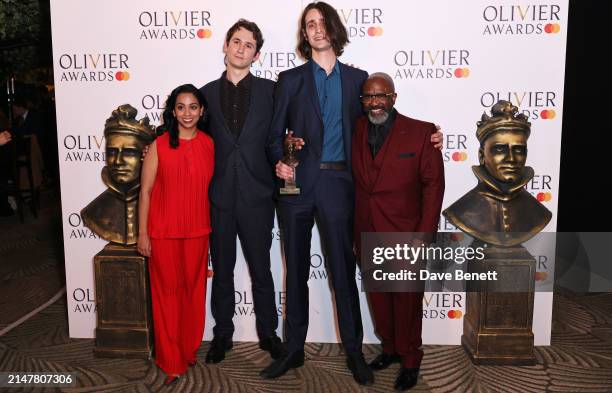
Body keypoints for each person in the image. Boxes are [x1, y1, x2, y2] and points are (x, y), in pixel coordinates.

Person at [263, 1, 443, 385]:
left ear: (334, 29)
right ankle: (293, 349)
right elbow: (274, 136)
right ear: (304, 33)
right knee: (294, 270)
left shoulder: (358, 80)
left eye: (322, 22)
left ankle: (353, 352)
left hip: (340, 186)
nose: (316, 29)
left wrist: (430, 135)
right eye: (309, 24)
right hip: (295, 187)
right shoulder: (290, 80)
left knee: (343, 272)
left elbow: (385, 123)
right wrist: (280, 160)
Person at [352, 73, 445, 391]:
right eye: (368, 97)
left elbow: (433, 186)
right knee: (379, 299)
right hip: (367, 228)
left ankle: (410, 359)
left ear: (393, 97)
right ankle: (390, 349)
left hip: (406, 233)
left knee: (406, 301)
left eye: (380, 96)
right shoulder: (356, 128)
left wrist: (424, 235)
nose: (374, 102)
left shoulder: (422, 132)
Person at [198, 19, 283, 364]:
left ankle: (269, 333)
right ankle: (222, 335)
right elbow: (185, 138)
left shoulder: (271, 91)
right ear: (225, 45)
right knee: (223, 270)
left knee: (262, 269)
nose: (240, 48)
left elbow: (287, 133)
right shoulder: (203, 94)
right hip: (218, 197)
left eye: (248, 45)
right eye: (236, 41)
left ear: (256, 54)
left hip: (258, 196)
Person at [137, 84, 214, 385]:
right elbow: (145, 192)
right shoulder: (157, 146)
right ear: (172, 111)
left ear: (202, 111)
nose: (187, 113)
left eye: (193, 107)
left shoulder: (210, 144)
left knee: (193, 294)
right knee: (167, 296)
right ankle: (170, 360)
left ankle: (187, 349)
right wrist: (143, 235)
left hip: (198, 231)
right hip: (163, 232)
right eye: (180, 107)